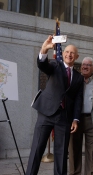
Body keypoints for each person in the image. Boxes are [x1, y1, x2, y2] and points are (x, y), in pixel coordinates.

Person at [26, 35, 84, 175]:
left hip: (64, 118)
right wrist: (44, 49)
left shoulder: (79, 77)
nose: (69, 54)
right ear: (63, 54)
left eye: (72, 53)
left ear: (76, 56)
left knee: (61, 153)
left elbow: (78, 99)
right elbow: (42, 64)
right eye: (67, 52)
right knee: (37, 149)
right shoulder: (55, 65)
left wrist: (76, 119)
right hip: (46, 114)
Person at [69, 57, 93, 175]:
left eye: (88, 65)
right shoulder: (75, 79)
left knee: (92, 149)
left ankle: (90, 173)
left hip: (92, 119)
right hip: (76, 120)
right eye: (83, 65)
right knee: (74, 148)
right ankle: (74, 172)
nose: (85, 67)